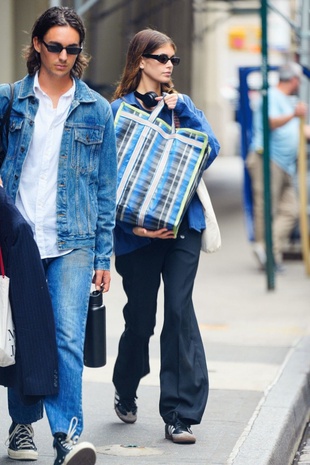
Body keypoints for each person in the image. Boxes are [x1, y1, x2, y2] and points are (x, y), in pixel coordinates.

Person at [0, 6, 117, 465]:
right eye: (55, 46)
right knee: (28, 336)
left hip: (74, 240)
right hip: (20, 239)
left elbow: (106, 188)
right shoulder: (11, 99)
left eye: (72, 48)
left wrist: (103, 255)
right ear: (37, 45)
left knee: (68, 337)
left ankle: (67, 436)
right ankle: (22, 425)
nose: (63, 56)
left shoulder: (97, 109)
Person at [110, 29, 220, 445]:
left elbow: (210, 149)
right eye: (160, 57)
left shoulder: (183, 106)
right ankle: (126, 384)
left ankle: (179, 414)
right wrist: (131, 226)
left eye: (173, 58)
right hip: (137, 234)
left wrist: (187, 112)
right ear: (141, 60)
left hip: (182, 228)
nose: (169, 64)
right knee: (141, 320)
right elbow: (109, 179)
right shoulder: (117, 110)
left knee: (179, 311)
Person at [247, 62, 310, 272]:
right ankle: (266, 252)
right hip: (268, 158)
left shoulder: (288, 101)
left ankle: (269, 248)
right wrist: (294, 114)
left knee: (292, 209)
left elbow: (297, 129)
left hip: (286, 164)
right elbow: (271, 121)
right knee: (266, 207)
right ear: (293, 80)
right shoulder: (270, 96)